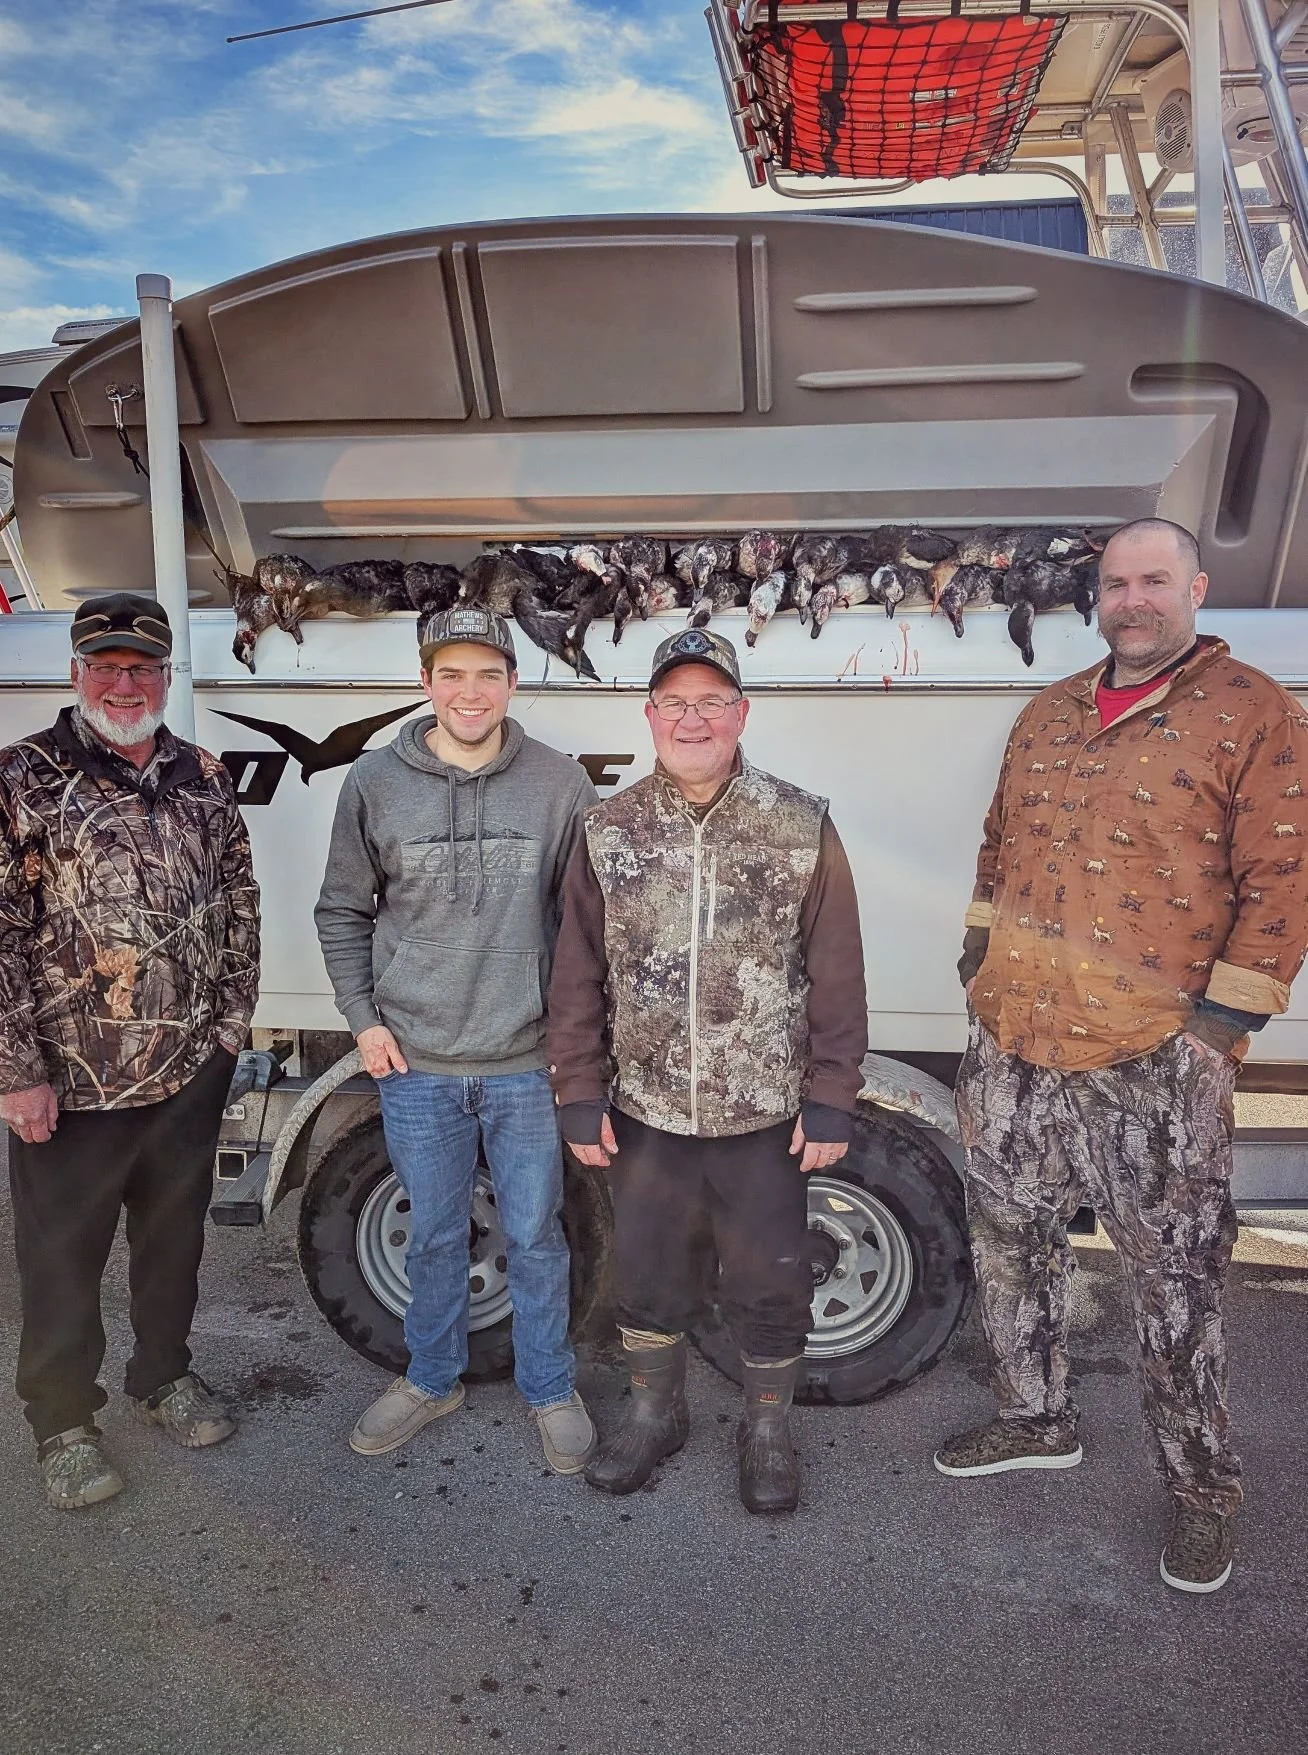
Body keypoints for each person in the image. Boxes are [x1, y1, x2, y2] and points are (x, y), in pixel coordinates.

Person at [937, 517, 1308, 1593]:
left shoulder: (1253, 714)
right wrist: (977, 958)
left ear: (1195, 587)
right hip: (1017, 1034)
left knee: (1175, 1275)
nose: (1132, 600)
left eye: (1153, 581)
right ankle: (1035, 1413)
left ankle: (1201, 1492)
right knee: (1010, 1238)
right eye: (1115, 584)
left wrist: (1219, 1035)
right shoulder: (1049, 710)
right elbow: (1000, 843)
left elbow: (1285, 884)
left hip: (1154, 1049)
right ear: (1094, 598)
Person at [547, 627, 868, 1514]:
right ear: (650, 717)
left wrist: (833, 1094)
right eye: (675, 703)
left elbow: (835, 967)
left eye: (712, 701)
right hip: (645, 1109)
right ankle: (656, 1414)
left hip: (764, 1112)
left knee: (770, 1280)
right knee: (648, 1278)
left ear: (742, 713)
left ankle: (767, 1428)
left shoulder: (800, 821)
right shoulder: (607, 830)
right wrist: (577, 1089)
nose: (694, 718)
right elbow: (576, 968)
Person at [315, 606, 599, 1474]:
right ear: (426, 682)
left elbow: (585, 925)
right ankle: (430, 1376)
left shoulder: (560, 783)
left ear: (514, 682)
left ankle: (550, 1385)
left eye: (487, 674)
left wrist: (573, 1042)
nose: (468, 692)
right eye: (451, 674)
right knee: (436, 1234)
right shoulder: (373, 781)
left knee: (538, 1233)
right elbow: (341, 910)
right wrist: (364, 1021)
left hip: (523, 1064)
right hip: (418, 1064)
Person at [0, 593, 260, 1510]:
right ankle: (63, 1423)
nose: (124, 682)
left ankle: (164, 1378)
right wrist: (18, 1072)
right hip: (70, 1086)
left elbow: (239, 903)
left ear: (165, 676)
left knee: (172, 1245)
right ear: (75, 673)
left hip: (187, 1075)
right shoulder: (24, 776)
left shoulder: (202, 775)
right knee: (61, 1259)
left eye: (141, 667)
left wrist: (229, 1030)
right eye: (106, 666)